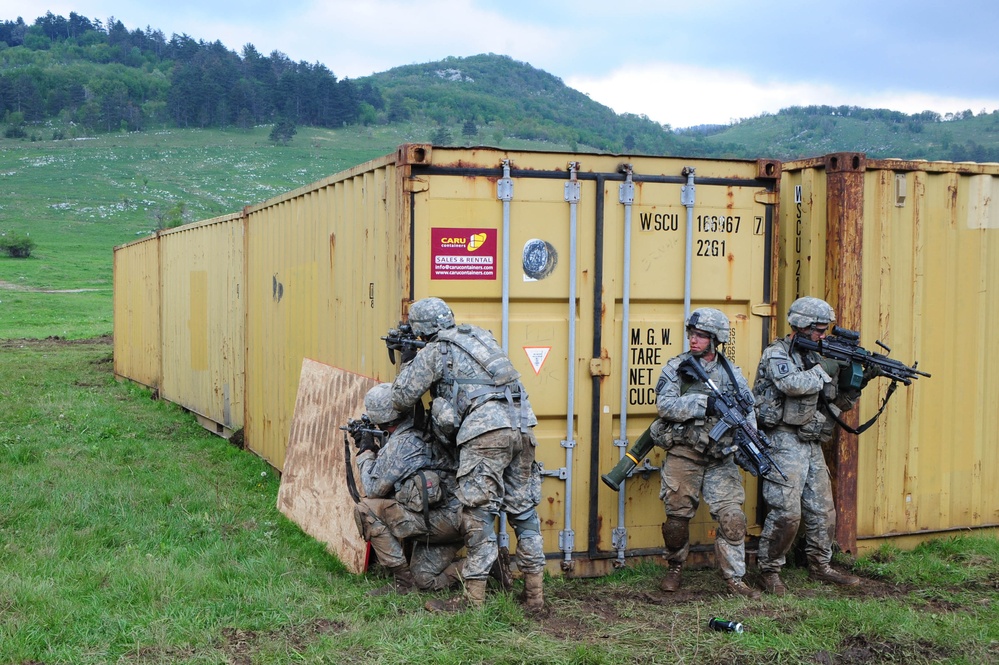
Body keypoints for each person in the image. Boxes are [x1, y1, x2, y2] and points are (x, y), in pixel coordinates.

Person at [389, 297, 545, 612]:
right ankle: (535, 598)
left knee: (478, 515)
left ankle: (473, 601)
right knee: (525, 514)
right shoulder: (481, 337)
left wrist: (408, 358)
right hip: (523, 425)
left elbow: (401, 397)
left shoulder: (436, 350)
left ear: (421, 329)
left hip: (486, 433)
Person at [752, 296, 868, 595]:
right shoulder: (777, 354)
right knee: (787, 511)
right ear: (800, 326)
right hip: (782, 438)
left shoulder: (819, 355)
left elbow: (833, 404)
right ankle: (769, 570)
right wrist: (827, 366)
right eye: (817, 329)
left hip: (810, 440)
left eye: (825, 329)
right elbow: (792, 385)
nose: (822, 335)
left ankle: (820, 564)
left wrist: (856, 384)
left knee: (822, 510)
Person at [653, 307, 761, 599]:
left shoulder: (732, 373)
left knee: (733, 519)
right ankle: (675, 567)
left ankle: (735, 579)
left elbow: (747, 411)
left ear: (716, 340)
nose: (694, 340)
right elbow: (665, 406)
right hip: (685, 454)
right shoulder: (677, 368)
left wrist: (752, 441)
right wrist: (705, 403)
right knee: (676, 521)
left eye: (701, 336)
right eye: (691, 334)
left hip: (720, 458)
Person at [352, 383, 465, 595]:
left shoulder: (403, 442)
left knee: (366, 508)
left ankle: (402, 583)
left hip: (440, 522)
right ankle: (484, 565)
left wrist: (366, 451)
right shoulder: (425, 428)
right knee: (424, 580)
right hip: (458, 520)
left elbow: (373, 488)